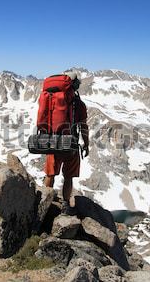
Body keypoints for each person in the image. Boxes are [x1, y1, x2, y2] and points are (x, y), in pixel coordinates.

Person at [43, 72, 89, 214]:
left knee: (50, 174)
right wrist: (86, 144)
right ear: (75, 85)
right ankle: (65, 204)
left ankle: (44, 200)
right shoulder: (79, 104)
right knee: (68, 176)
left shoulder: (52, 99)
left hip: (54, 141)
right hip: (71, 144)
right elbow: (83, 126)